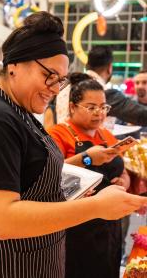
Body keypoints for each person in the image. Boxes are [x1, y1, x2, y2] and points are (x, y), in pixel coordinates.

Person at [0, 11, 147, 278]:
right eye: (49, 75)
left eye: (61, 79)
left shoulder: (18, 112)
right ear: (14, 66)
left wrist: (87, 160)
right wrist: (97, 207)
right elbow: (3, 219)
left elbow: (31, 175)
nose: (56, 89)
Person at [48, 74, 130, 278]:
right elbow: (49, 172)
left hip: (109, 224)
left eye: (103, 107)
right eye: (91, 107)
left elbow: (124, 171)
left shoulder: (106, 136)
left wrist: (123, 182)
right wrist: (86, 158)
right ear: (73, 107)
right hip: (76, 225)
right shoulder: (58, 134)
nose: (99, 113)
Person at [86, 45, 147, 126]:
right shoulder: (104, 93)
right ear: (109, 68)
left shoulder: (71, 83)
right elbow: (143, 116)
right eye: (137, 82)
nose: (140, 86)